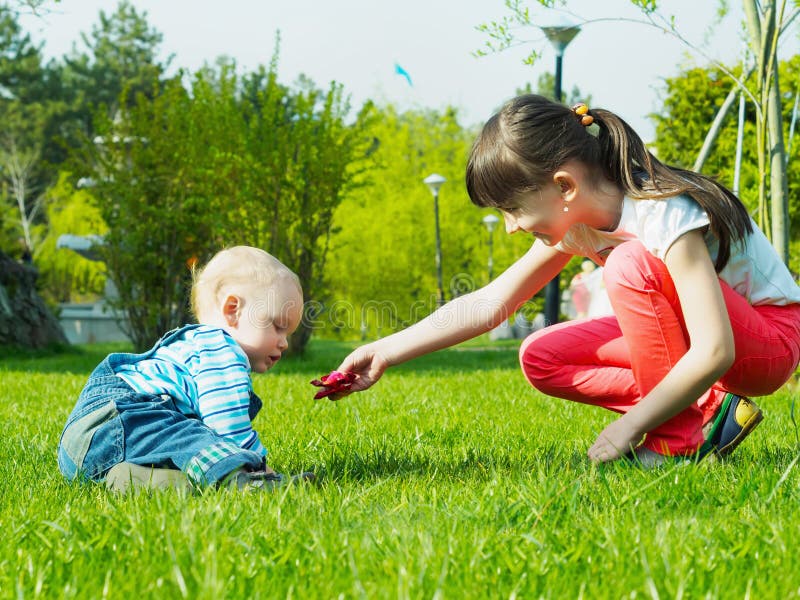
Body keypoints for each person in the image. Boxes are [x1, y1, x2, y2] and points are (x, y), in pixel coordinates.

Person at [332, 95, 800, 467]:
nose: (511, 226)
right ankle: (710, 414)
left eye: (513, 209)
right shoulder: (576, 225)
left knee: (628, 264)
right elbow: (491, 302)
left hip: (769, 340)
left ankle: (676, 442)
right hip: (714, 343)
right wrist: (387, 351)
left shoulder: (663, 213)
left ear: (564, 186)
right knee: (541, 355)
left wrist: (629, 425)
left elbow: (716, 350)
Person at [58, 246, 312, 491]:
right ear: (233, 310)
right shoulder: (220, 348)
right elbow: (228, 425)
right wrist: (257, 466)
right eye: (278, 326)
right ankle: (245, 480)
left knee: (185, 449)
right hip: (119, 422)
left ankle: (133, 477)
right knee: (193, 437)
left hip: (82, 449)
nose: (284, 342)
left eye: (288, 332)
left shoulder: (195, 346)